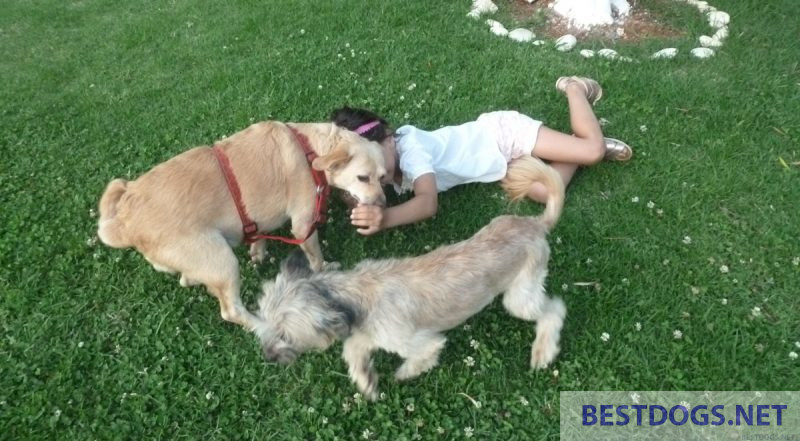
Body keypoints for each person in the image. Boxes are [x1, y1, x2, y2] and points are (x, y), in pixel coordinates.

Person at [331, 76, 632, 236]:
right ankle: (574, 147)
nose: (378, 174)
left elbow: (427, 203)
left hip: (503, 135)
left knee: (593, 151)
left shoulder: (411, 150)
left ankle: (575, 88)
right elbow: (356, 186)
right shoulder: (380, 168)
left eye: (378, 162)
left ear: (387, 136)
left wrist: (386, 218)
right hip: (501, 164)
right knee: (544, 191)